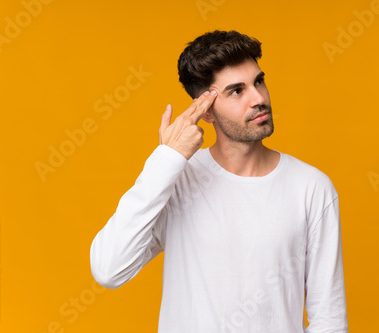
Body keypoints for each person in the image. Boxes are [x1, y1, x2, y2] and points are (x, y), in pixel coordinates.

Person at [90, 30, 348, 332]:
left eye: (259, 81)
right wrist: (166, 160)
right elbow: (109, 269)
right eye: (237, 91)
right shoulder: (176, 180)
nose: (259, 98)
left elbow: (328, 317)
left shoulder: (312, 188)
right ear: (207, 111)